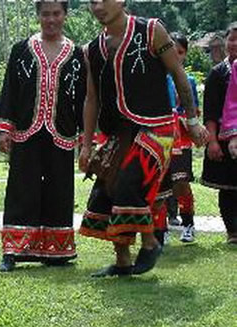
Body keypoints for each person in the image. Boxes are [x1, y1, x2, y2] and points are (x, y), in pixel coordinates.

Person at [78, 0, 208, 277]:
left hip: (156, 127)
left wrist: (192, 121)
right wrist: (86, 145)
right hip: (119, 131)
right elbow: (92, 99)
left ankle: (150, 243)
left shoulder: (151, 31)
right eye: (92, 1)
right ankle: (123, 261)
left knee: (128, 179)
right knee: (106, 188)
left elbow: (178, 74)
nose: (98, 6)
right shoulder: (92, 49)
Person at [0, 0, 86, 272]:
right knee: (21, 187)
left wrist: (85, 136)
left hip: (62, 130)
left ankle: (56, 251)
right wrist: (4, 129)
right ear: (38, 16)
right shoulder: (21, 50)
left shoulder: (77, 55)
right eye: (45, 14)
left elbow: (83, 98)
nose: (51, 19)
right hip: (26, 130)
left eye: (56, 13)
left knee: (60, 188)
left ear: (65, 15)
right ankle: (13, 251)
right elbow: (10, 90)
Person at [162, 33, 201, 245]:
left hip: (182, 139)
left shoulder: (190, 81)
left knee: (181, 182)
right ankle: (161, 228)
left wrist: (188, 122)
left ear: (185, 54)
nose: (175, 56)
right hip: (160, 137)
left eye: (180, 52)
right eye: (171, 51)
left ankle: (188, 224)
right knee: (160, 183)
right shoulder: (156, 79)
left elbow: (193, 110)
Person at [202, 23, 237, 244]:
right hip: (224, 138)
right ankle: (233, 231)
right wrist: (212, 141)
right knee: (228, 188)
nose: (234, 44)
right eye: (231, 39)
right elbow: (211, 112)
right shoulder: (218, 73)